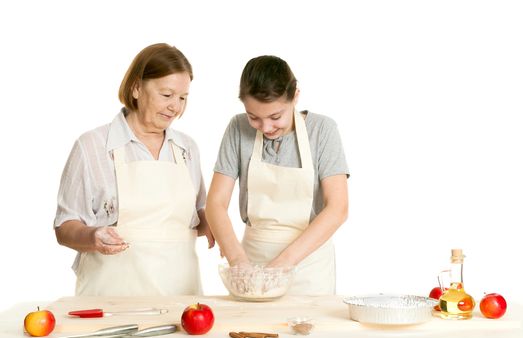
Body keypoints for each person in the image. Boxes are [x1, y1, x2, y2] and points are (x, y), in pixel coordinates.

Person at [54, 43, 214, 296]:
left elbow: (198, 216)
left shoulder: (186, 149)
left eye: (183, 98)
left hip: (181, 295)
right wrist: (93, 236)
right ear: (137, 88)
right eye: (167, 95)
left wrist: (219, 223)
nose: (176, 106)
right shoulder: (92, 146)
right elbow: (64, 227)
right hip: (111, 296)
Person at [206, 55, 349, 295]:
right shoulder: (237, 129)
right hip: (251, 264)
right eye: (254, 117)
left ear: (295, 96)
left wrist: (282, 265)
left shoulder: (322, 131)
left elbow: (338, 208)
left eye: (275, 117)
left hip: (309, 266)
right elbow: (215, 203)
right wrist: (238, 263)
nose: (266, 128)